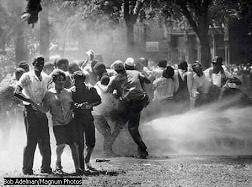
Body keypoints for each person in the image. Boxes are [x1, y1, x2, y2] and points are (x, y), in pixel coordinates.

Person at [14, 56, 52, 175]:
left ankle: (46, 168)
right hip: (30, 110)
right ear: (33, 64)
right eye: (37, 63)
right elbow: (16, 92)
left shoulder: (46, 77)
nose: (40, 65)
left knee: (45, 140)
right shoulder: (26, 76)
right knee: (31, 141)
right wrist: (30, 101)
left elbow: (48, 94)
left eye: (42, 63)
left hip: (41, 111)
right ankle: (27, 169)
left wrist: (45, 106)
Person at [107, 61, 150, 159]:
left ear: (115, 70)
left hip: (130, 103)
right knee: (132, 127)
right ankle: (141, 150)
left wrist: (116, 94)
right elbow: (148, 80)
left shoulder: (115, 79)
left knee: (127, 126)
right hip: (140, 101)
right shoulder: (135, 72)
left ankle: (142, 149)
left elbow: (107, 92)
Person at [42, 69, 80, 174]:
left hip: (69, 122)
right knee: (61, 144)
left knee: (73, 145)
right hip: (57, 123)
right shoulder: (48, 94)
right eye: (59, 80)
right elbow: (45, 109)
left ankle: (78, 168)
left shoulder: (68, 92)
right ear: (54, 81)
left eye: (63, 80)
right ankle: (58, 163)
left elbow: (73, 105)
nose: (61, 82)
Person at [71, 70, 101, 171]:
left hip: (88, 118)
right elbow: (69, 103)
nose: (75, 82)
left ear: (83, 80)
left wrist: (89, 105)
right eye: (74, 79)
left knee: (91, 143)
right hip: (77, 119)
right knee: (79, 143)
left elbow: (98, 100)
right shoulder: (71, 91)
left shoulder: (91, 89)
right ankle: (81, 167)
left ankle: (87, 160)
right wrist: (78, 105)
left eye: (77, 80)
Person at [93, 76, 122, 156]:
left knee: (106, 131)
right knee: (107, 132)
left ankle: (105, 151)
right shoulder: (108, 93)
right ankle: (107, 151)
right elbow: (114, 107)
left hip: (94, 114)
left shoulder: (96, 86)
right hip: (97, 115)